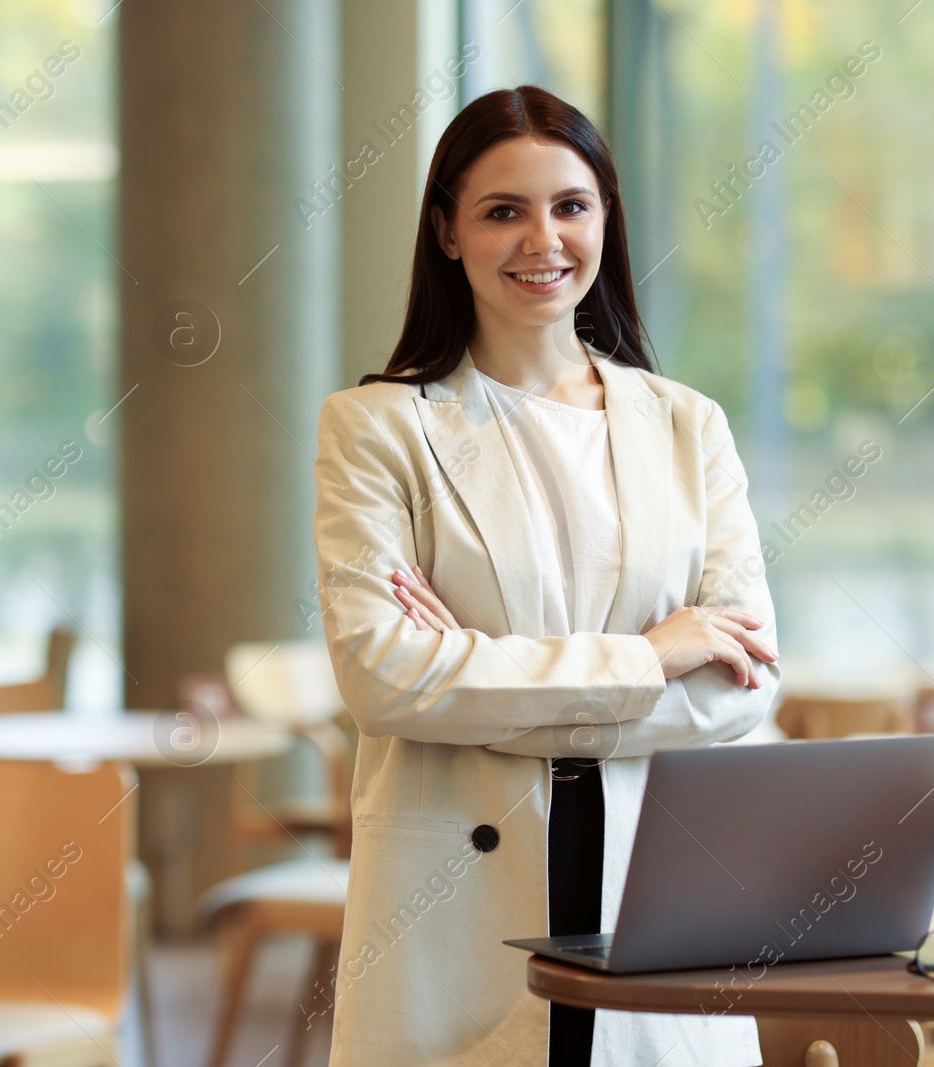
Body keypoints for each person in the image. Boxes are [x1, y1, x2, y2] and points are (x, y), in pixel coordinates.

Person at [312, 85, 781, 1067]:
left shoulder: (688, 426)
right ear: (445, 230)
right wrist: (650, 654)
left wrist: (471, 670)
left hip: (652, 889)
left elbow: (739, 689)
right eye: (502, 211)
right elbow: (382, 678)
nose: (543, 239)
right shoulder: (376, 428)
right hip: (454, 904)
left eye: (571, 205)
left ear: (605, 216)